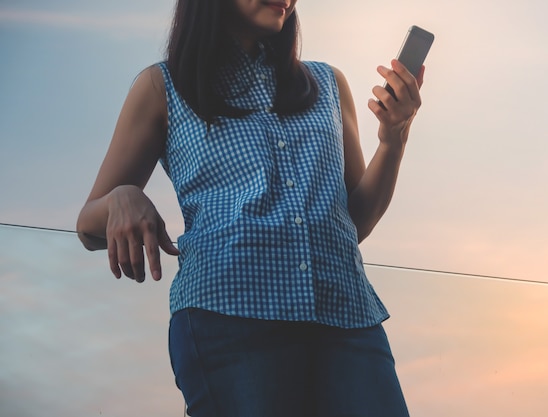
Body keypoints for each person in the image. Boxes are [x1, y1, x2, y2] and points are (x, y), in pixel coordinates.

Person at [76, 0, 425, 416]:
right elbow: (87, 224)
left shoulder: (328, 83)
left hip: (347, 317)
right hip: (229, 321)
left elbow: (353, 222)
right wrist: (122, 196)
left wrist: (394, 137)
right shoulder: (162, 86)